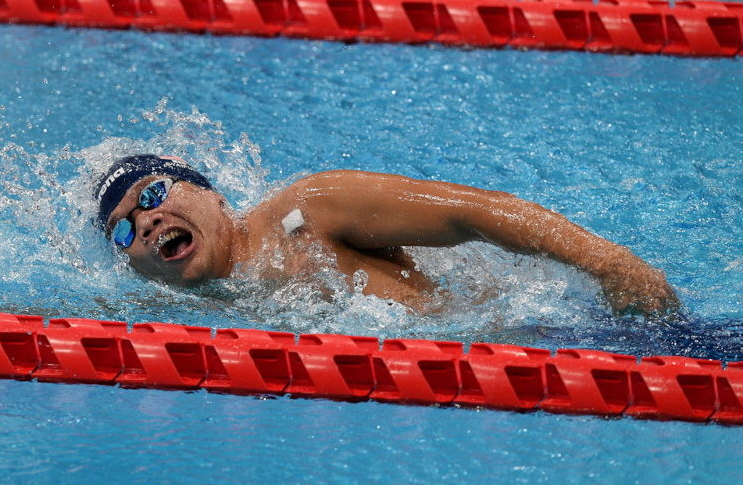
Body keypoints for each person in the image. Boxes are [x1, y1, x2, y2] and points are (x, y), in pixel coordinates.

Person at [94, 153, 680, 317]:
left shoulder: (307, 211)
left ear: (214, 195)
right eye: (124, 230)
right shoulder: (165, 312)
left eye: (152, 196)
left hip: (550, 341)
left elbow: (474, 211)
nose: (144, 222)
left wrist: (611, 265)